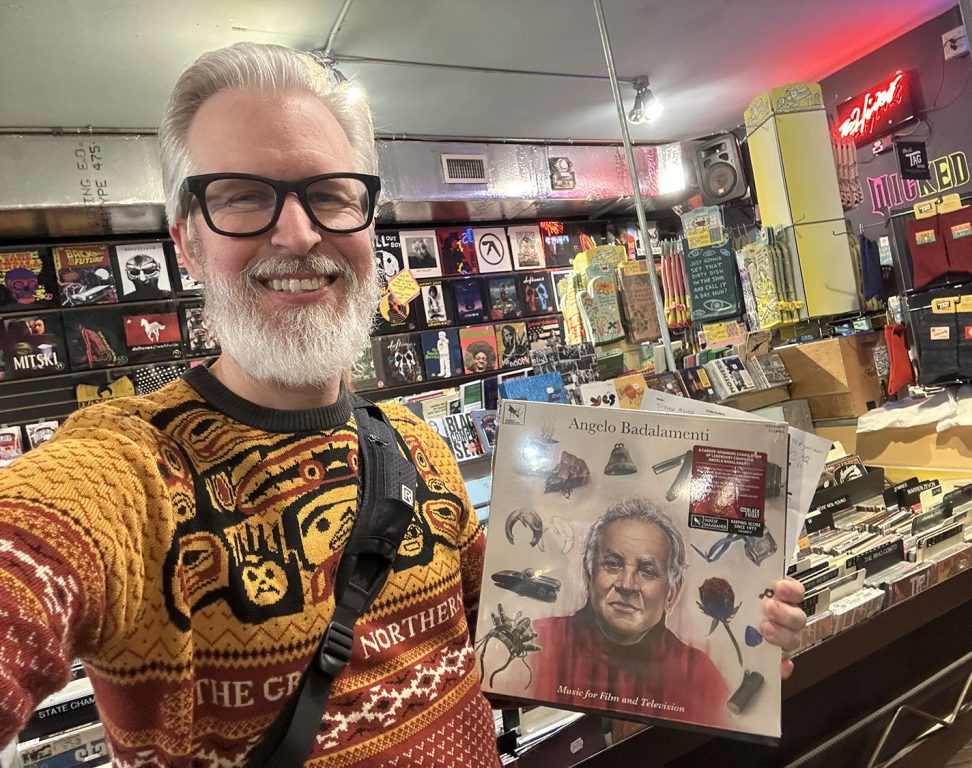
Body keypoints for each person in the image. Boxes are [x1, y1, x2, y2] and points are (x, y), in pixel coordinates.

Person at [0, 42, 807, 767]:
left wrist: (731, 637)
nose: (296, 233)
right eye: (243, 196)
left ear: (367, 218)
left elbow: (521, 657)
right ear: (186, 238)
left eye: (329, 193)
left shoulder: (417, 451)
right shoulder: (132, 469)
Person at [523, 497, 780, 728]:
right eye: (612, 564)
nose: (626, 584)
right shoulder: (534, 644)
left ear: (672, 593)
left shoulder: (699, 675)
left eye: (647, 571)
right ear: (588, 575)